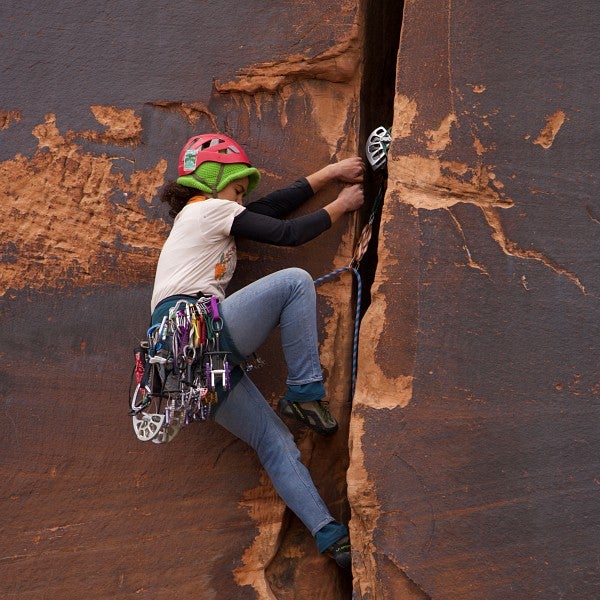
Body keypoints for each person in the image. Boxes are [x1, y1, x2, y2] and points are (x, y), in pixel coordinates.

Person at [150, 132, 364, 569]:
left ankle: (330, 536)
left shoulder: (207, 217)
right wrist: (342, 205)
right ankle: (305, 392)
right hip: (192, 329)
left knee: (274, 442)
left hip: (178, 365)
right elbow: (285, 232)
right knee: (295, 282)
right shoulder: (208, 211)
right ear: (212, 181)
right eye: (237, 188)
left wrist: (331, 173)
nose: (241, 198)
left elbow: (270, 210)